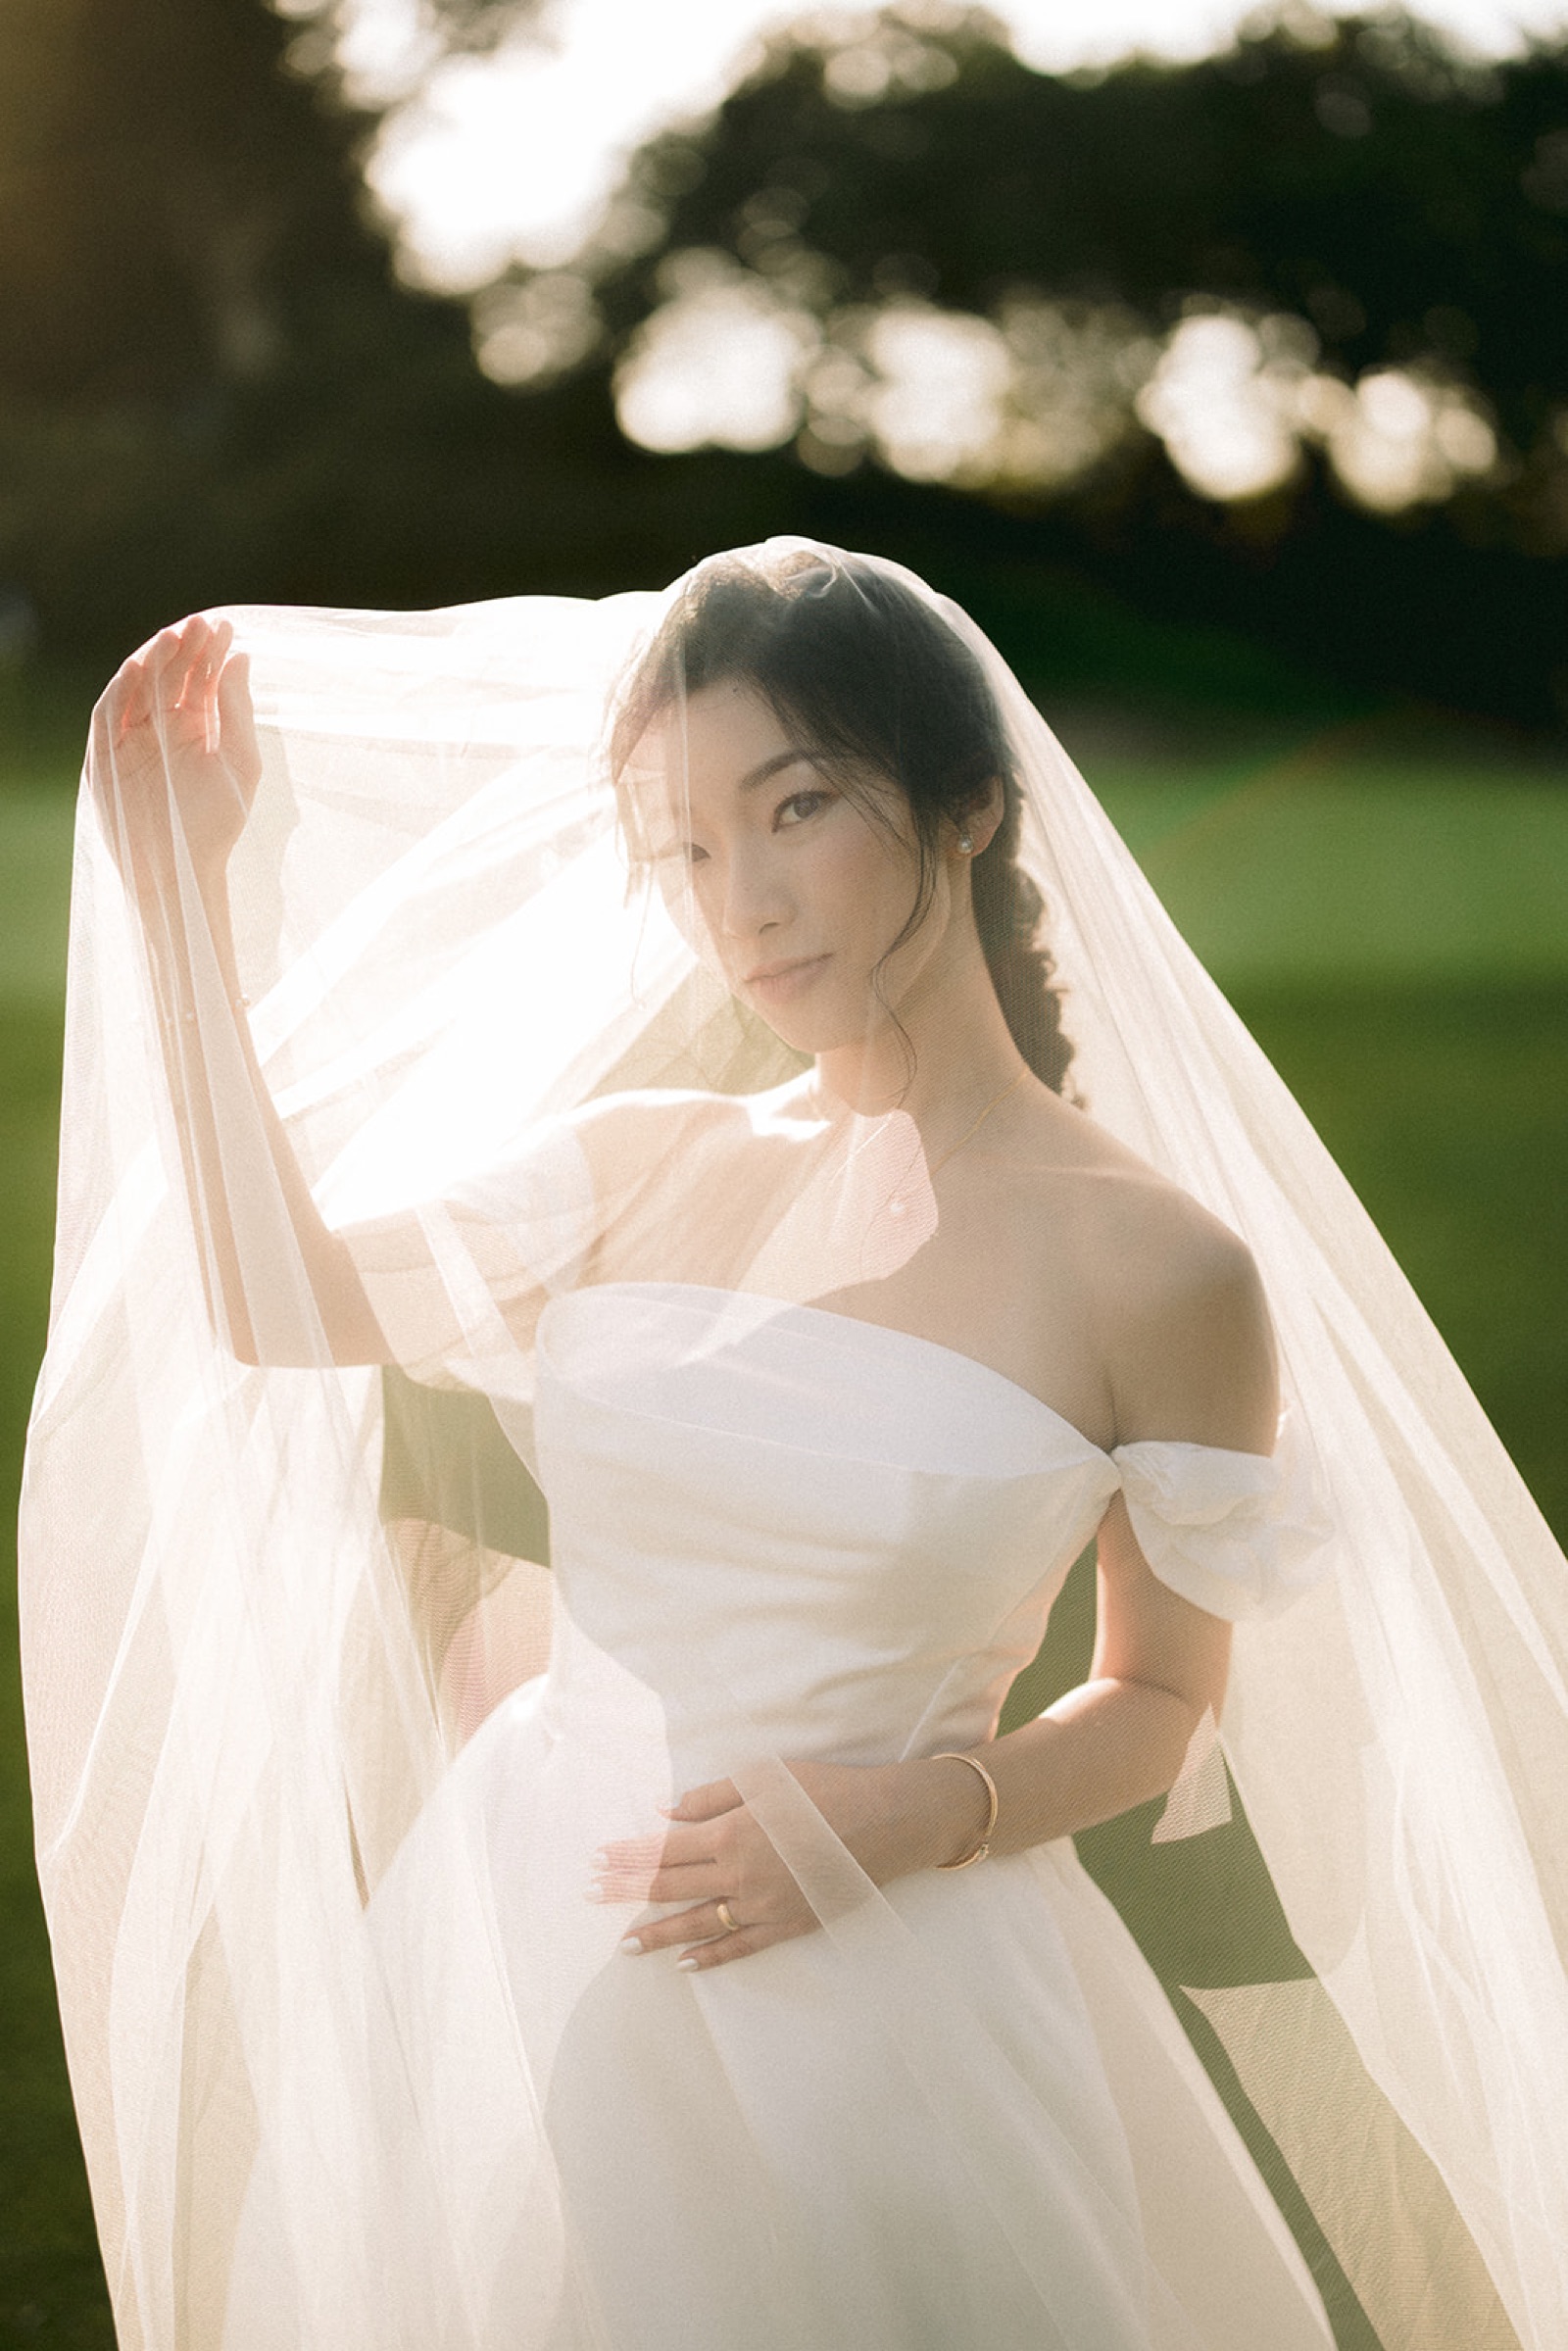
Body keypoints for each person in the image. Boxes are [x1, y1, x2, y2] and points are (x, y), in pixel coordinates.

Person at [19, 543, 1568, 2350]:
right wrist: (180, 898)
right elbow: (276, 1300)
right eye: (685, 851)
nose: (742, 906)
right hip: (534, 1919)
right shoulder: (645, 1160)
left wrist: (914, 1814)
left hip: (890, 1971)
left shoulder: (1157, 1268)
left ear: (967, 806)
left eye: (797, 808)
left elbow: (1162, 1699)